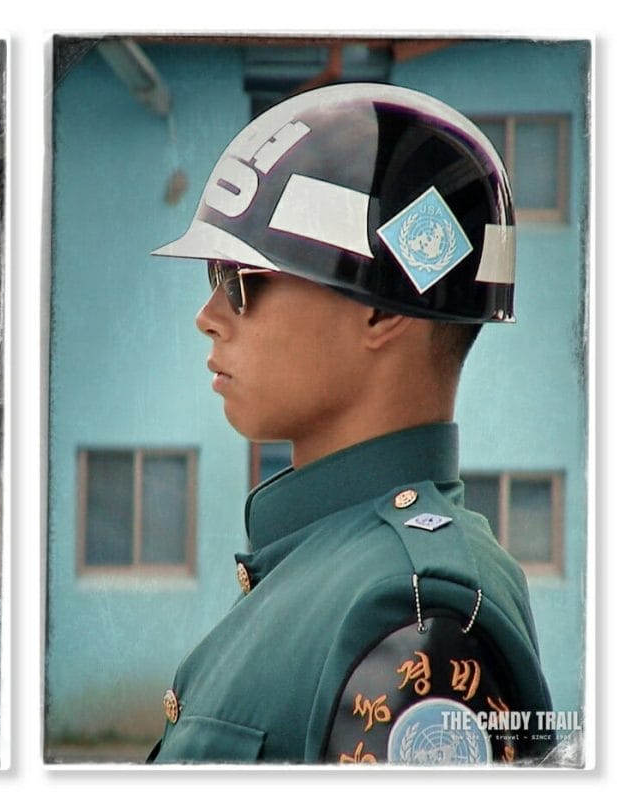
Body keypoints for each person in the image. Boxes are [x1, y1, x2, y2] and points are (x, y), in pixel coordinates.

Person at [146, 83, 553, 765]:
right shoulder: (330, 567)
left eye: (241, 278)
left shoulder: (414, 611)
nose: (209, 315)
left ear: (383, 311)